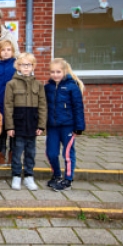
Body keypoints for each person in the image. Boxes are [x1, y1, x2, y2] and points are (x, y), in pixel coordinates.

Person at [4, 53, 47, 191]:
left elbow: (42, 105)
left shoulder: (38, 84)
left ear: (33, 66)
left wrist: (41, 125)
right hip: (18, 124)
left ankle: (29, 176)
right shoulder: (11, 84)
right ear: (18, 66)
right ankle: (16, 175)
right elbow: (8, 106)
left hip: (32, 124)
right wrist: (9, 126)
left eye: (29, 65)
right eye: (23, 65)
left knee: (31, 152)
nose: (26, 67)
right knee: (17, 152)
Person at [45, 58, 85, 192]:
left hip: (68, 126)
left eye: (58, 72)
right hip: (53, 126)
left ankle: (68, 179)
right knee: (51, 153)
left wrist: (79, 127)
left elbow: (78, 107)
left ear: (64, 71)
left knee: (67, 154)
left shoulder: (72, 87)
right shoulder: (48, 87)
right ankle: (56, 175)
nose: (55, 74)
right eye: (52, 72)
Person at [0, 40, 17, 167]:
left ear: (12, 51)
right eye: (3, 50)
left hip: (13, 104)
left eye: (8, 50)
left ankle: (13, 153)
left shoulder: (16, 66)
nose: (6, 53)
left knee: (13, 128)